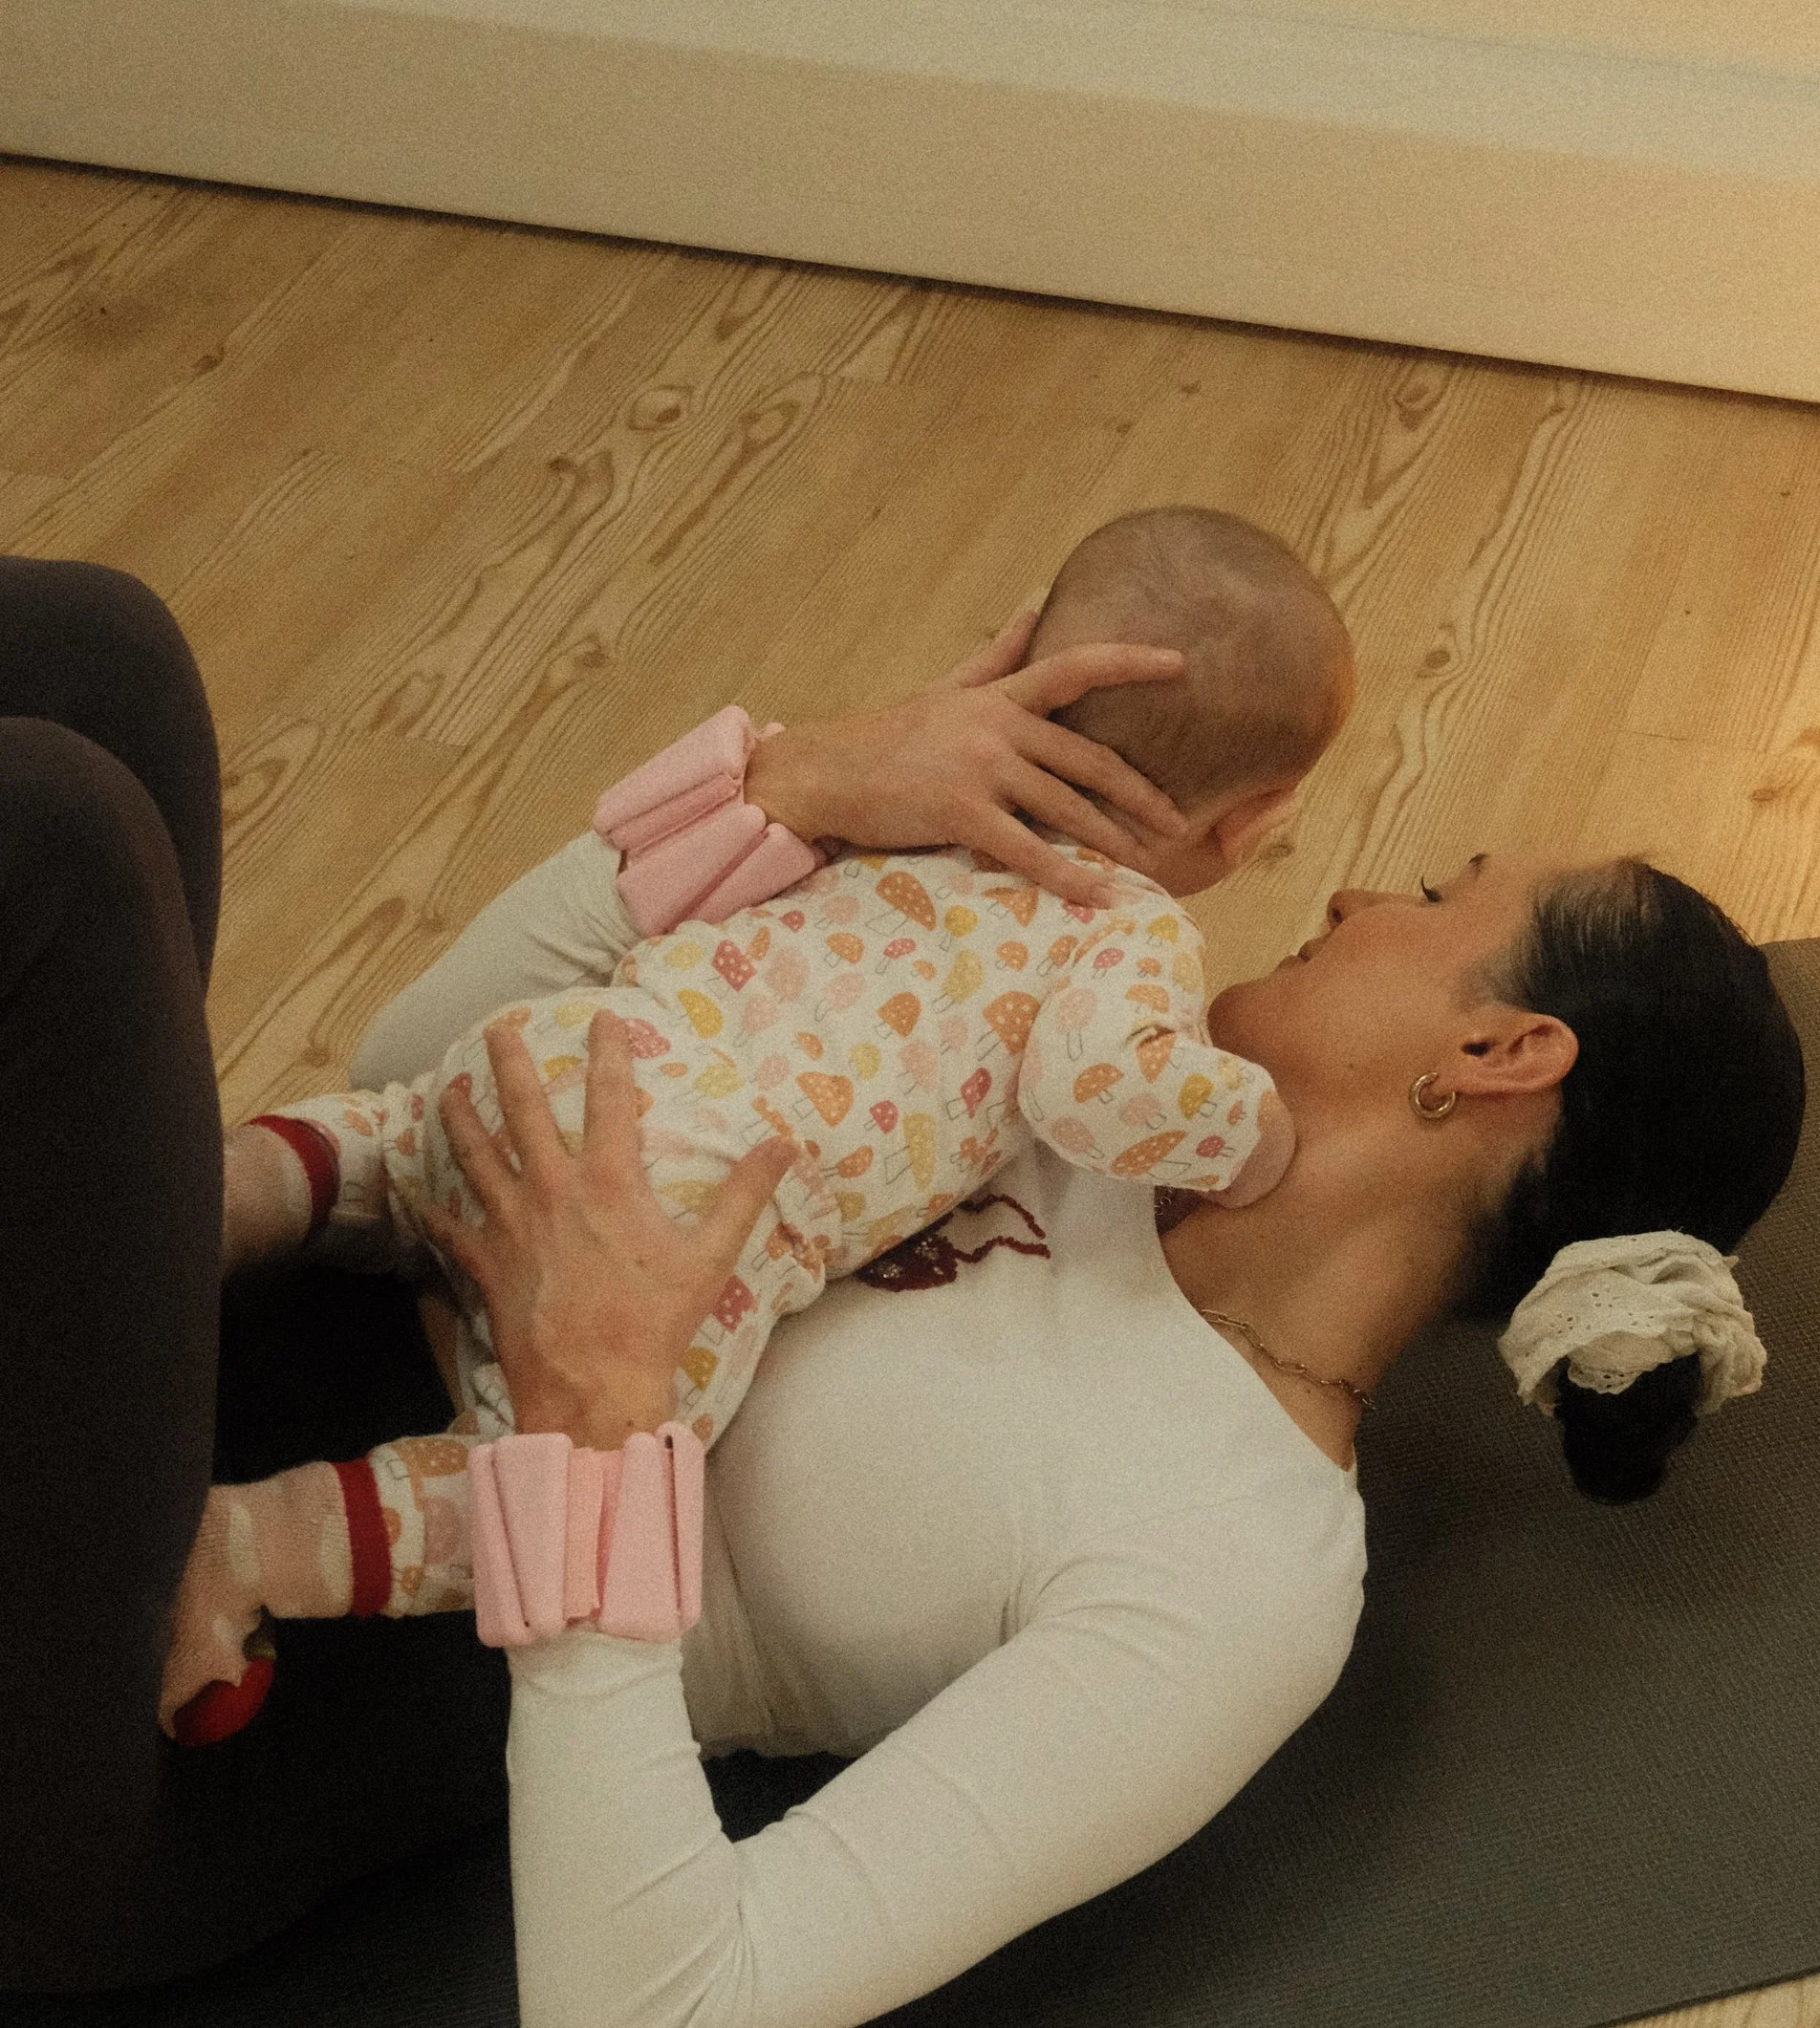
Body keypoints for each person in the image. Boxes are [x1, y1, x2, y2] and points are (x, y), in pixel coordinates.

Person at [0, 555, 1807, 2028]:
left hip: (179, 1705)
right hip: (174, 1323)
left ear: (1504, 1055)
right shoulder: (1075, 1065)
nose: (1353, 900)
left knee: (63, 846)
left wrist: (598, 1427)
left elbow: (651, 2008)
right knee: (100, 662)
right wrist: (795, 787)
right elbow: (421, 1071)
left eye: (1438, 889)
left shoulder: (1238, 1566)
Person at [168, 510, 1355, 1736]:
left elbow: (452, 1016)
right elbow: (1096, 1088)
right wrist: (1254, 1133)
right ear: (1253, 822)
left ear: (1011, 660)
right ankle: (251, 1546)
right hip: (684, 1203)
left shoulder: (900, 799)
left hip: (573, 1046)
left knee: (391, 1134)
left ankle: (216, 1195)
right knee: (568, 1500)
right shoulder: (1123, 919)